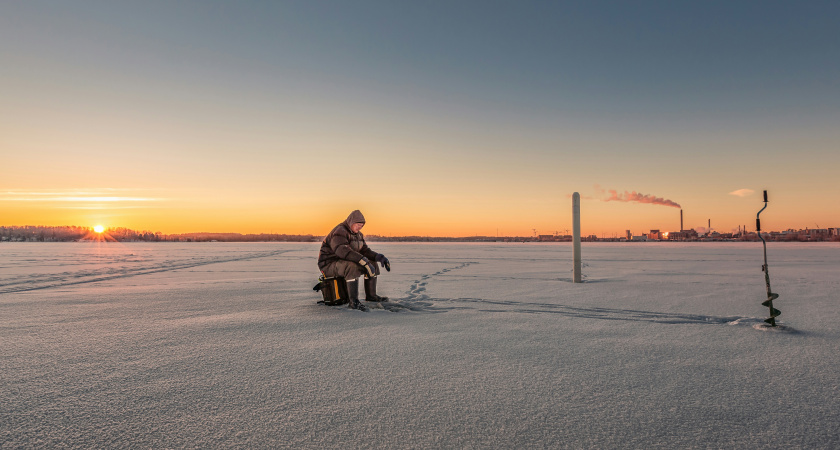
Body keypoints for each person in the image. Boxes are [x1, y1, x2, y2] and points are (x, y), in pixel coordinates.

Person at [318, 210, 390, 311]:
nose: (359, 227)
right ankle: (353, 302)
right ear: (351, 222)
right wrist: (363, 260)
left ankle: (371, 296)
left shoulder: (358, 235)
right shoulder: (340, 231)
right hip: (328, 264)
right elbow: (342, 251)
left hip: (342, 262)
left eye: (361, 226)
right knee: (351, 266)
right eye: (358, 225)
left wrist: (379, 257)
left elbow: (364, 251)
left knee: (372, 263)